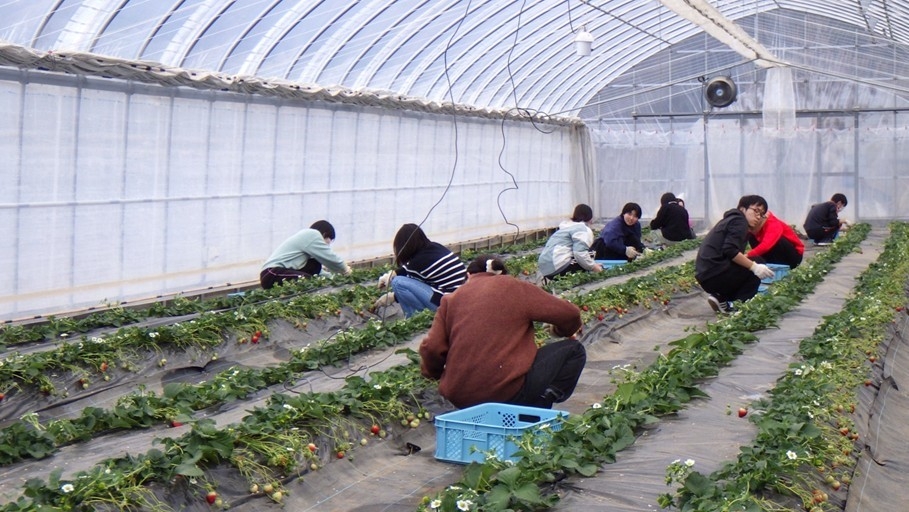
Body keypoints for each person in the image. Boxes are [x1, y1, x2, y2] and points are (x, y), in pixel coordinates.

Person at [419, 255, 586, 409]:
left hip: (459, 397)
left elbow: (432, 348)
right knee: (575, 350)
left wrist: (435, 373)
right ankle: (541, 402)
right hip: (506, 392)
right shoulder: (513, 286)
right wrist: (562, 330)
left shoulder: (451, 299)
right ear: (503, 273)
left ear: (469, 275)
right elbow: (569, 314)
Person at [695, 195, 776, 314]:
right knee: (757, 262)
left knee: (749, 263)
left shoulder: (732, 220)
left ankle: (720, 297)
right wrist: (754, 267)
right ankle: (740, 308)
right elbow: (730, 251)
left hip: (706, 274)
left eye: (761, 214)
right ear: (743, 209)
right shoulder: (739, 221)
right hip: (714, 273)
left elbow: (730, 252)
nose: (758, 217)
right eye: (756, 211)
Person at [373, 224, 467, 317]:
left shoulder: (418, 262)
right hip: (461, 300)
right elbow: (407, 270)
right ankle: (420, 316)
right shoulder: (434, 247)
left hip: (448, 304)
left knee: (397, 282)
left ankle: (413, 318)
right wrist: (392, 274)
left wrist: (391, 296)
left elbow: (408, 283)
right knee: (399, 281)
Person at [260, 220, 351, 289]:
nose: (326, 246)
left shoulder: (308, 243)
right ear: (325, 234)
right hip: (271, 273)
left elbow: (319, 272)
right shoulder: (312, 234)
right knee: (307, 281)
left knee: (314, 266)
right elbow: (330, 258)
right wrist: (346, 270)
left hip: (278, 273)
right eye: (328, 241)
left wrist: (333, 279)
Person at [537, 204, 603, 280]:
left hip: (545, 267)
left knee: (585, 260)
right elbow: (580, 253)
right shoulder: (582, 229)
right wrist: (594, 267)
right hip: (557, 266)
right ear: (589, 217)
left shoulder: (566, 227)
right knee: (588, 256)